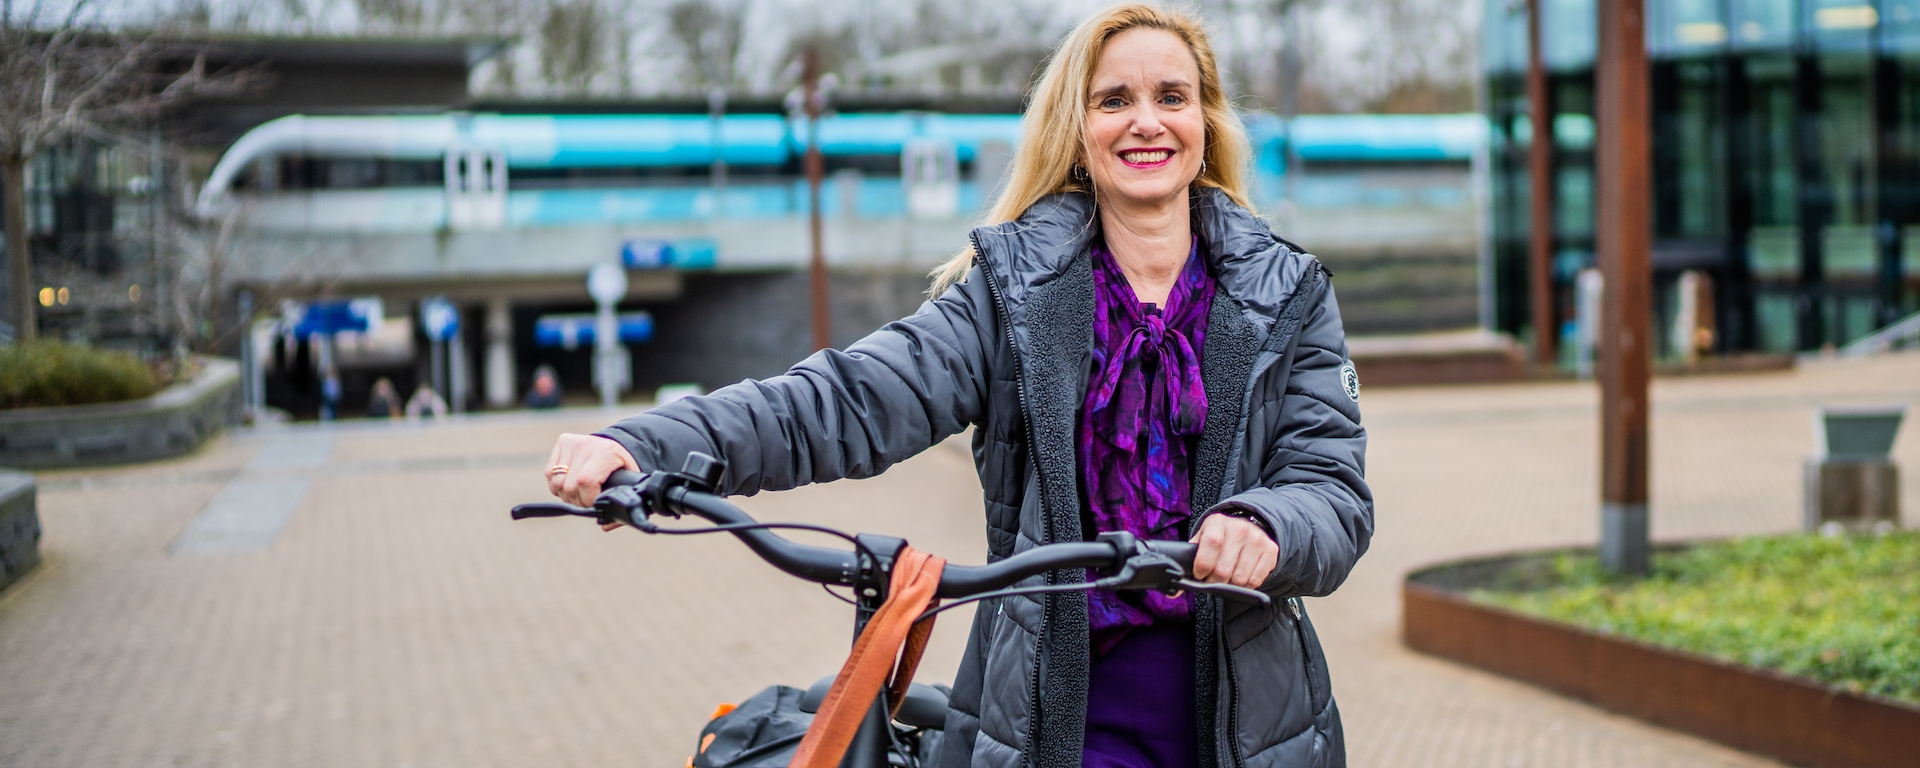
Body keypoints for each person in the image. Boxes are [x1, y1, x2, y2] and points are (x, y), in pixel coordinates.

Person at [543, 5, 1370, 767]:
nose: (1145, 121)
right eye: (1113, 99)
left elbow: (1332, 489)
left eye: (1171, 96)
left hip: (1255, 728)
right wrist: (645, 445)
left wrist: (1268, 523)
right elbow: (849, 399)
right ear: (1078, 132)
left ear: (1205, 121)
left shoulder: (1288, 296)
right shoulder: (1012, 296)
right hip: (1049, 722)